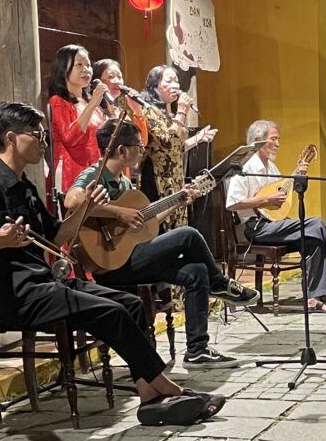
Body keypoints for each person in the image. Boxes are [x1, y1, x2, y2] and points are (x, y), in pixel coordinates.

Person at [0, 102, 224, 426]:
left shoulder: (27, 188)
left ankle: (149, 395)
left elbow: (56, 238)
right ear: (11, 138)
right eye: (37, 134)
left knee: (130, 304)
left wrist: (84, 210)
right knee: (111, 312)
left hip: (47, 284)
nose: (44, 141)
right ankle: (169, 388)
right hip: (18, 294)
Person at [65, 118, 259, 367]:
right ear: (122, 149)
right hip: (110, 264)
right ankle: (220, 284)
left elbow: (147, 221)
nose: (142, 151)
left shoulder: (124, 182)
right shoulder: (95, 174)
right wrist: (117, 213)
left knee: (196, 271)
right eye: (139, 145)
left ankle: (197, 350)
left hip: (131, 257)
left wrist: (179, 200)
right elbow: (72, 201)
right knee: (188, 234)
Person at [225, 120, 326, 315]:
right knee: (317, 223)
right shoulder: (244, 168)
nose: (278, 144)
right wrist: (264, 199)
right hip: (256, 227)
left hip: (275, 223)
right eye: (274, 139)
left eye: (278, 139)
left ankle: (313, 299)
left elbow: (281, 202)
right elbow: (232, 203)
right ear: (258, 140)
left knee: (314, 240)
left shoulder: (271, 167)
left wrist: (298, 178)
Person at [139, 64, 217, 228]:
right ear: (155, 86)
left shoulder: (172, 115)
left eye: (177, 81)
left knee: (178, 221)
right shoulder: (149, 111)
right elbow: (167, 141)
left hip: (175, 177)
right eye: (169, 81)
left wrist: (198, 138)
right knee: (161, 224)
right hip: (157, 176)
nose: (176, 85)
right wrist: (182, 111)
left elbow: (177, 147)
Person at [46, 44, 105, 196]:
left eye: (88, 64)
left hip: (95, 173)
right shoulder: (58, 101)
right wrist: (92, 105)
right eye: (79, 64)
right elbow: (70, 138)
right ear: (63, 69)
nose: (86, 69)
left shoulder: (93, 105)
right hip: (71, 174)